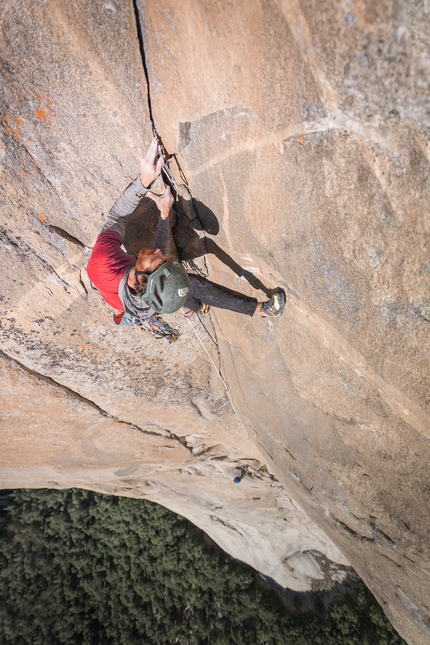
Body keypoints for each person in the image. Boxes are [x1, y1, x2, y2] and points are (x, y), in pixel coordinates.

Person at [87, 139, 285, 324]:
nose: (158, 252)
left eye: (159, 259)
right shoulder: (104, 265)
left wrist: (145, 184)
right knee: (190, 284)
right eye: (160, 259)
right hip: (128, 300)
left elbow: (116, 218)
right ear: (140, 278)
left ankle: (198, 307)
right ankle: (262, 309)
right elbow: (118, 219)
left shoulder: (108, 264)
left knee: (177, 289)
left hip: (122, 295)